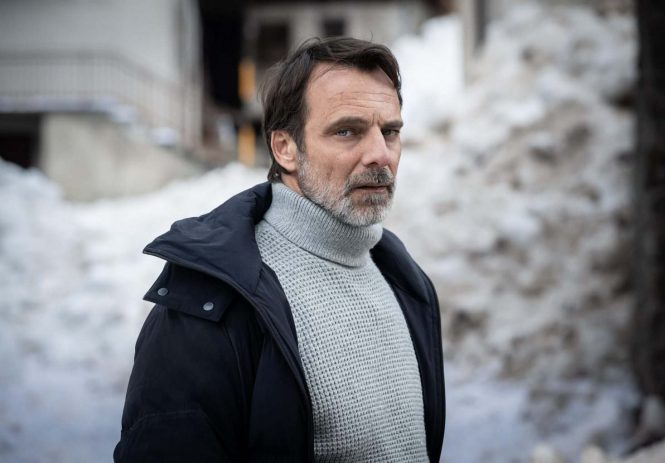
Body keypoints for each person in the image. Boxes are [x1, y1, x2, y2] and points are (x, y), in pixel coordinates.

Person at [114, 37, 445, 462]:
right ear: (285, 148)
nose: (380, 155)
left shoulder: (406, 283)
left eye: (391, 132)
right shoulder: (209, 305)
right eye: (347, 131)